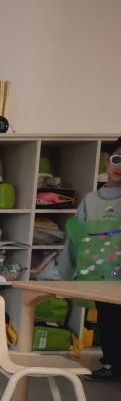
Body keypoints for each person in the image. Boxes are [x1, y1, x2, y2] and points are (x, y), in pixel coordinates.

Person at [54, 136, 121, 380]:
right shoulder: (91, 201)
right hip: (100, 275)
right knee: (108, 319)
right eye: (117, 159)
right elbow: (75, 238)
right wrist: (63, 274)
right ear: (107, 160)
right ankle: (112, 364)